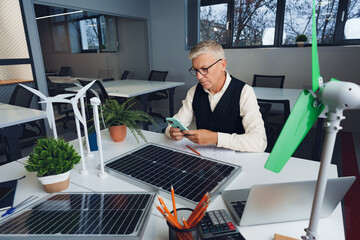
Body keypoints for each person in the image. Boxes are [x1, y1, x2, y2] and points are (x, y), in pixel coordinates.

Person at [165, 40, 267, 152]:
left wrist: (215, 138)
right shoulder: (193, 91)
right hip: (203, 159)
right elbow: (174, 124)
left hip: (237, 158)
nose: (199, 76)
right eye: (196, 70)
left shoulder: (244, 92)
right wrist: (171, 132)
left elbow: (259, 142)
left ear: (222, 65)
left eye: (204, 69)